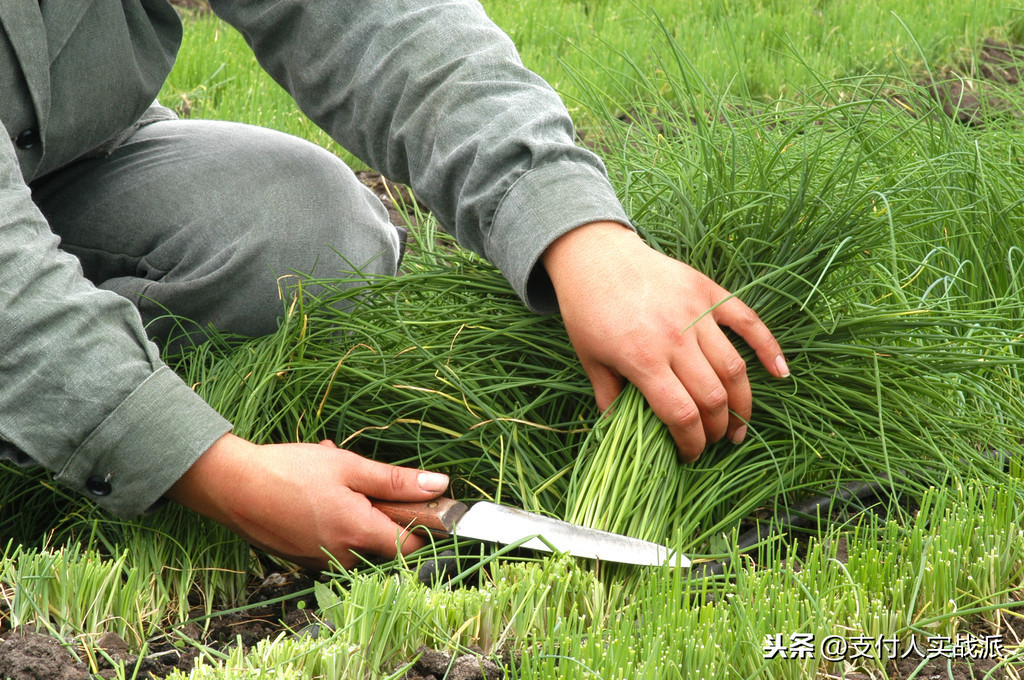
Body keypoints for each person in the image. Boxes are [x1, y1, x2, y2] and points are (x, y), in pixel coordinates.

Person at [0, 0, 788, 570]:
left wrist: (580, 237)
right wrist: (214, 473)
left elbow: (366, 18)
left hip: (59, 163)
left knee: (310, 233)